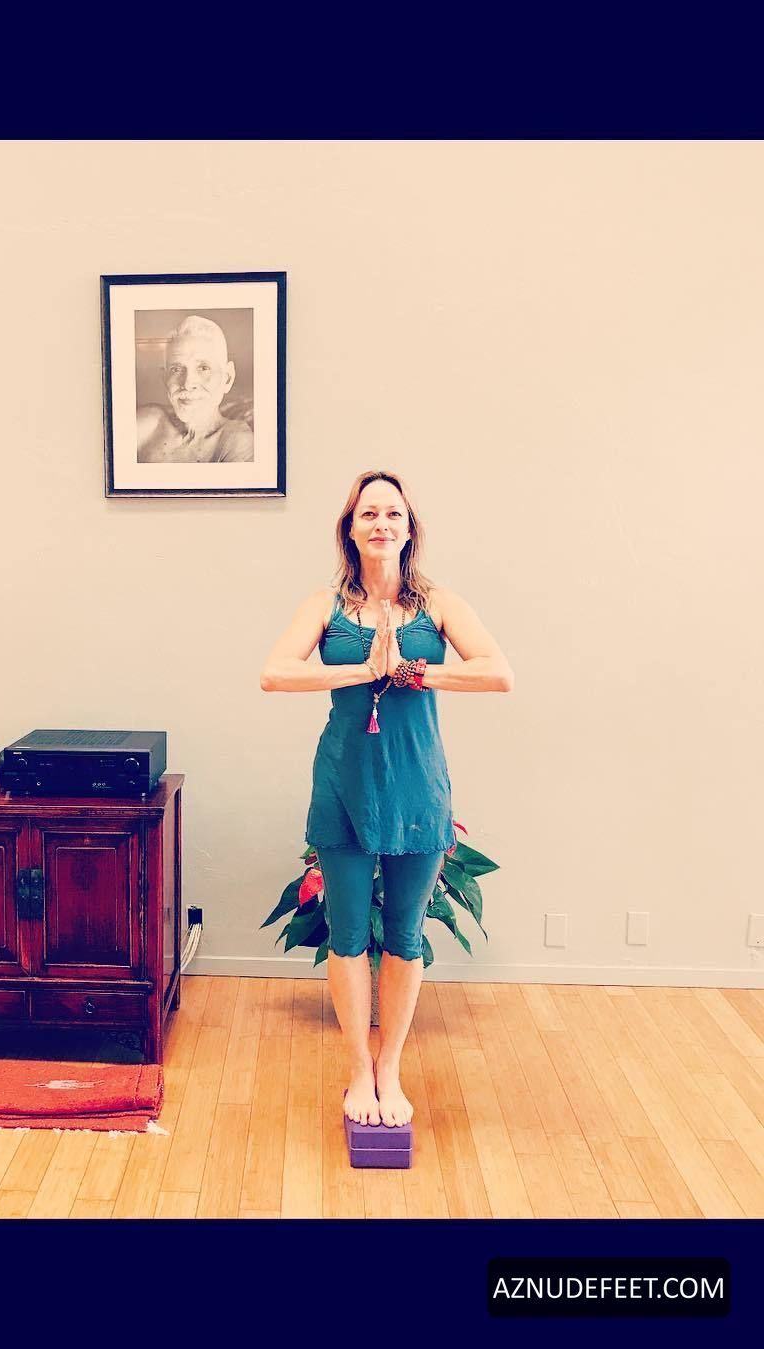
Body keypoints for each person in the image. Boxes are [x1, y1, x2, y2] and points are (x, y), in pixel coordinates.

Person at [259, 470, 514, 1128]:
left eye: (392, 513)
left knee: (404, 935)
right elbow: (274, 673)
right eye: (368, 513)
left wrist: (414, 671)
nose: (381, 523)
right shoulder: (324, 606)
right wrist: (365, 670)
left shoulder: (439, 604)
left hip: (417, 786)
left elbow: (498, 672)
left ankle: (390, 1066)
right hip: (344, 784)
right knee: (347, 936)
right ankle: (357, 1069)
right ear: (350, 528)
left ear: (409, 528)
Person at [136, 315, 255, 464]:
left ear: (227, 378)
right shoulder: (149, 422)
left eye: (203, 368)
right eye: (176, 369)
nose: (187, 384)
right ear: (164, 378)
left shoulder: (236, 442)